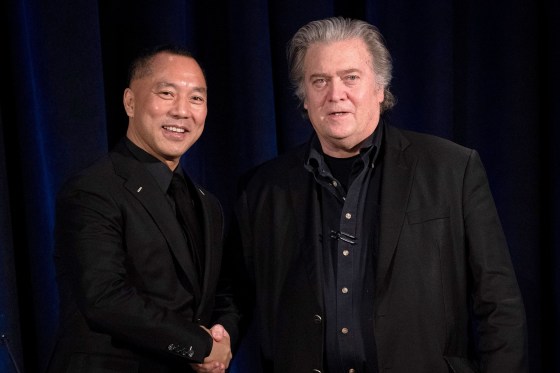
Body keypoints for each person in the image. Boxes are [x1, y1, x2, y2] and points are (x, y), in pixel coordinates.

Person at [233, 17, 528, 373]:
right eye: (319, 81)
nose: (335, 93)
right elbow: (235, 298)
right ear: (305, 98)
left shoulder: (452, 168)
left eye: (350, 77)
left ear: (380, 88)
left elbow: (499, 303)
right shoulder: (263, 188)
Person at [47, 45, 238, 373]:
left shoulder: (208, 204)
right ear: (130, 102)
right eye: (166, 93)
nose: (182, 111)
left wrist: (224, 338)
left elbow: (224, 294)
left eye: (196, 98)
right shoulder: (93, 189)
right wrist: (199, 346)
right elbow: (104, 298)